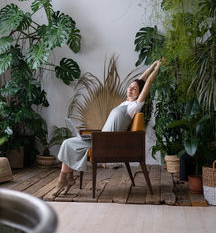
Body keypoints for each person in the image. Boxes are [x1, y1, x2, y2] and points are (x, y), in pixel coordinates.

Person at [53, 59, 163, 197]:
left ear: (139, 93)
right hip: (101, 139)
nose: (130, 89)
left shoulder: (134, 106)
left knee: (69, 143)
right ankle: (67, 179)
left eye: (134, 88)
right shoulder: (125, 103)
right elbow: (140, 80)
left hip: (107, 143)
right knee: (68, 143)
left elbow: (146, 83)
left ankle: (62, 181)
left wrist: (157, 67)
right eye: (130, 86)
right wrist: (151, 65)